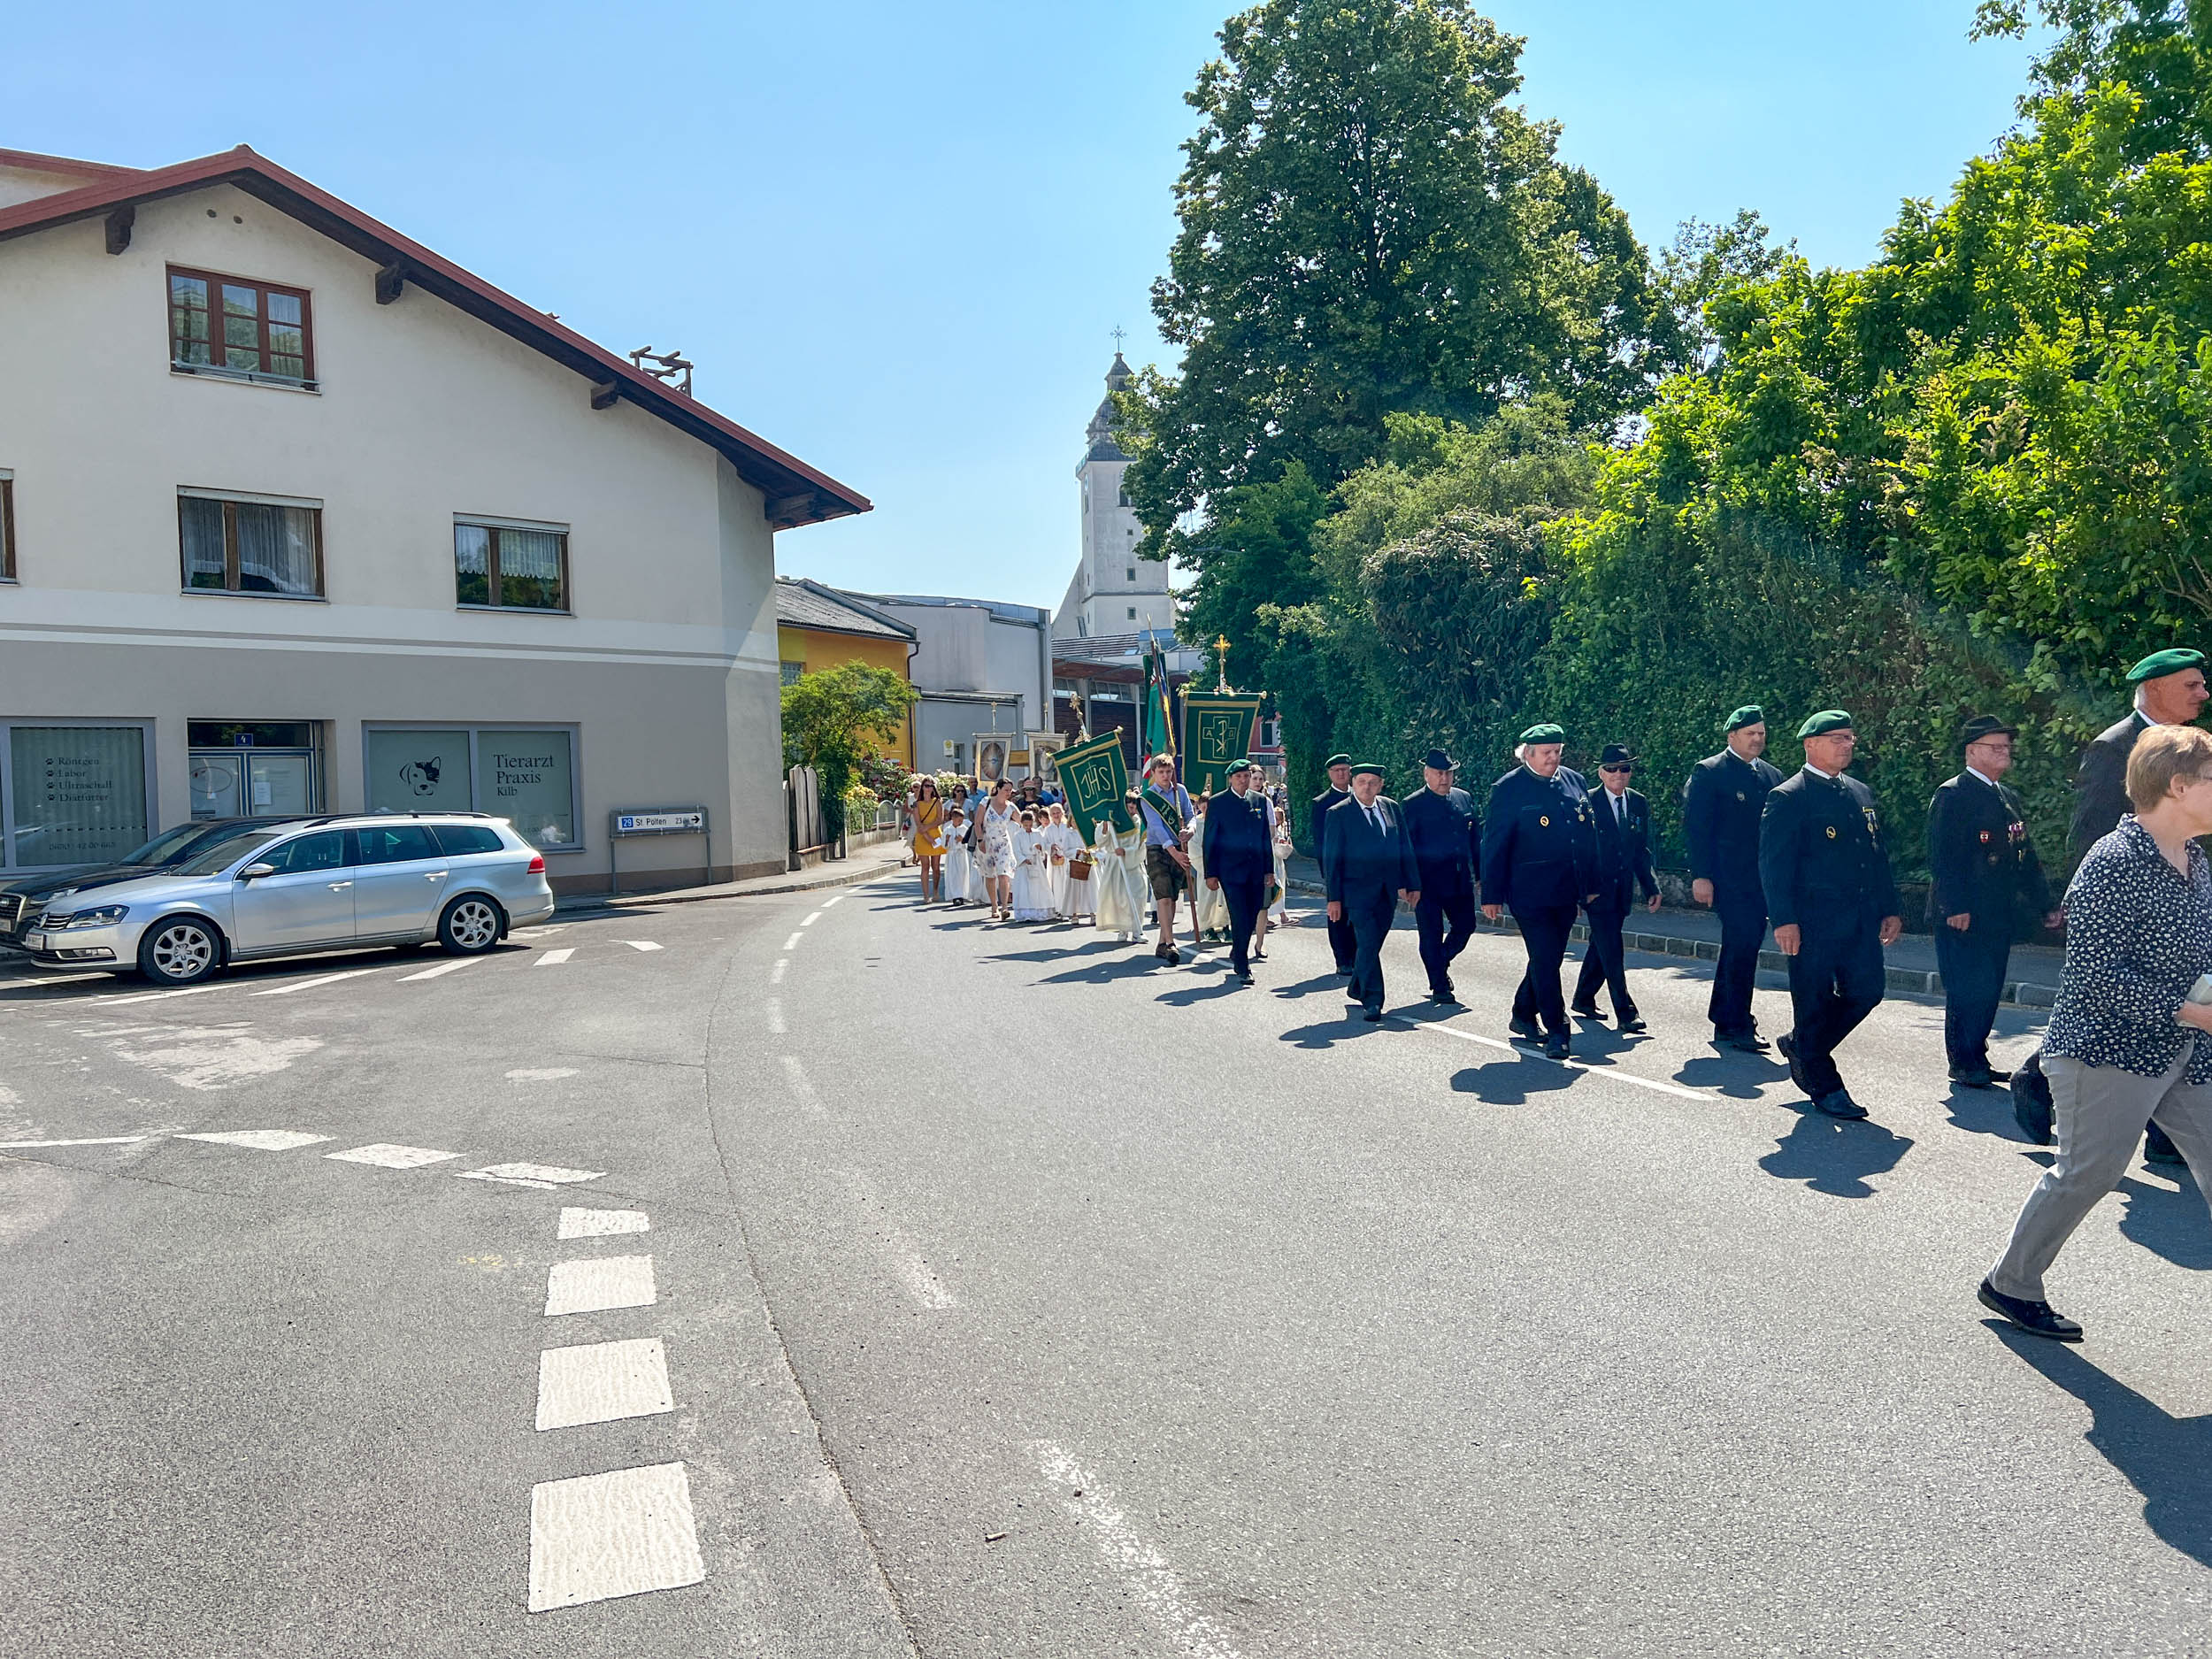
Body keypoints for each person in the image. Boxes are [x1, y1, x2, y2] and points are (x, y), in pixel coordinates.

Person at [1979, 724, 2212, 1343]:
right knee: (2088, 1172)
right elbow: (2097, 977)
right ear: (2178, 786)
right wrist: (2192, 1012)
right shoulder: (2113, 863)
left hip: (2184, 1050)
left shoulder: (2195, 859)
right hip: (2105, 1051)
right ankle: (2011, 1282)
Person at [2014, 648, 2209, 1161]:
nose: (2204, 694)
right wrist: (2091, 899)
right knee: (2117, 1001)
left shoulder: (2191, 747)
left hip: (2179, 891)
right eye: (2191, 685)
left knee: (2179, 1000)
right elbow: (2091, 830)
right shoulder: (2114, 746)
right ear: (2157, 688)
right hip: (2130, 903)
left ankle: (2167, 1135)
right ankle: (2039, 1074)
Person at [1758, 710, 1903, 1120]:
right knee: (1814, 1002)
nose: (1846, 745)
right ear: (1811, 744)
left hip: (1860, 918)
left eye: (1850, 738)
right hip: (1812, 922)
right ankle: (1825, 1085)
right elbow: (1774, 864)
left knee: (1868, 991)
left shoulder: (1859, 792)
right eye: (1837, 738)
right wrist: (1783, 919)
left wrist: (1890, 908)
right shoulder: (1789, 796)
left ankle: (1803, 1045)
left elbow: (1877, 856)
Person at [1926, 717, 2061, 1088]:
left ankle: (1977, 1055)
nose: (2004, 752)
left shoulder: (2006, 797)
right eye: (1995, 747)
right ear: (1972, 752)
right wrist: (1954, 906)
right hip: (1964, 913)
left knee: (1989, 986)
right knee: (1966, 987)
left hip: (1997, 910)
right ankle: (1963, 1061)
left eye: (2006, 746)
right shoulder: (1954, 794)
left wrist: (2046, 903)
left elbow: (2025, 856)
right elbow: (1944, 857)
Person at [1481, 726, 1598, 1060]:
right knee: (1546, 959)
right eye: (1546, 752)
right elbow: (1495, 844)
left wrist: (1589, 886)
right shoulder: (1509, 788)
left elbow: (1586, 838)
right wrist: (1491, 893)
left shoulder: (1574, 781)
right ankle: (1558, 1030)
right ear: (1527, 754)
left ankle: (1522, 1012)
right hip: (1528, 891)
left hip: (1566, 889)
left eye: (1557, 751)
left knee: (1549, 957)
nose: (1553, 758)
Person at [1683, 705, 1786, 1051]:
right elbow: (1698, 828)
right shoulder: (1711, 771)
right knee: (1742, 945)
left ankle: (1724, 1016)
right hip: (1728, 878)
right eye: (1749, 733)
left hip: (1762, 879)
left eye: (1761, 733)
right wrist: (1701, 875)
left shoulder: (1772, 775)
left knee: (1742, 946)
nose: (1757, 739)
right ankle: (1738, 1023)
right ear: (1732, 736)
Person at [1572, 744, 1662, 1032]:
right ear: (1601, 772)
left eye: (1624, 768)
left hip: (1622, 890)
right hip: (1596, 891)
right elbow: (1578, 851)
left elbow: (1640, 850)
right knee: (1612, 948)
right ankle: (1626, 1012)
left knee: (1602, 943)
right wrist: (1581, 892)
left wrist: (1651, 886)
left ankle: (1583, 998)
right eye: (1611, 769)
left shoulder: (1638, 802)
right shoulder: (1586, 802)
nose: (1618, 774)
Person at [1323, 762, 1420, 1020]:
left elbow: (1404, 846)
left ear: (1380, 785)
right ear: (1353, 783)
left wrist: (1412, 883)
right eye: (1362, 782)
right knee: (1366, 941)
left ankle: (1357, 985)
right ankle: (1373, 1000)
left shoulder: (1391, 808)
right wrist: (1334, 898)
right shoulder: (1338, 813)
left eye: (1372, 782)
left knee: (1374, 943)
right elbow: (1332, 859)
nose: (1367, 787)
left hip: (1387, 890)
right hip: (1356, 892)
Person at [1402, 748, 1481, 1005]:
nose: (1444, 778)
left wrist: (1481, 875)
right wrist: (1407, 882)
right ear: (1426, 774)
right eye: (1439, 773)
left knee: (1466, 926)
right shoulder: (1413, 804)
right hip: (1427, 883)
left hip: (1459, 879)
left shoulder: (1463, 798)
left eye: (1448, 773)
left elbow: (1475, 840)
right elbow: (1405, 848)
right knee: (1430, 934)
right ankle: (1439, 985)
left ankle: (1440, 961)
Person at [1202, 758, 1275, 984]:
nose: (1243, 780)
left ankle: (1238, 947)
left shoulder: (1259, 800)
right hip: (1231, 871)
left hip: (1256, 869)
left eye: (1246, 776)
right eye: (1238, 777)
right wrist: (1210, 873)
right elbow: (1210, 840)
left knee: (1253, 913)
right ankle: (1242, 966)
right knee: (1239, 914)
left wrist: (1269, 869)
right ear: (1231, 779)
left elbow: (1264, 837)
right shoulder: (1218, 802)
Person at [1140, 755, 1197, 964]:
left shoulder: (1179, 791)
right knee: (1163, 897)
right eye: (1161, 772)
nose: (1165, 776)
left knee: (1172, 897)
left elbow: (1191, 816)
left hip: (1179, 847)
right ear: (1154, 774)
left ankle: (1163, 942)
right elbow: (1156, 827)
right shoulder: (1147, 797)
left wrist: (1190, 830)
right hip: (1158, 849)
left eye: (1169, 771)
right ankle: (1171, 943)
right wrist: (1175, 853)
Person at [1310, 754, 1357, 975]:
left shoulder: (1360, 796)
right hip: (1336, 869)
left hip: (1359, 868)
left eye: (1345, 769)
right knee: (1338, 914)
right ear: (1329, 773)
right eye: (1336, 770)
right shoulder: (1321, 803)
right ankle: (1342, 958)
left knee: (1358, 913)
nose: (1341, 774)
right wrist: (1327, 872)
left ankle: (1357, 956)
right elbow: (1320, 841)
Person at [979, 780, 1019, 921]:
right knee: (990, 876)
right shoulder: (986, 802)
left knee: (1004, 874)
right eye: (1006, 790)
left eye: (1010, 790)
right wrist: (980, 840)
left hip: (1003, 843)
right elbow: (978, 823)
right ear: (998, 789)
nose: (1008, 793)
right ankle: (994, 906)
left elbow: (1023, 821)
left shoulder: (1011, 807)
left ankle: (1004, 907)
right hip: (987, 841)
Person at [1010, 809, 1053, 922]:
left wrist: (1040, 848)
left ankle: (1040, 912)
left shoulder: (1037, 833)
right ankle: (1026, 913)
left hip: (1036, 862)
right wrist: (1024, 859)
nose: (1028, 827)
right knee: (1025, 889)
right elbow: (1016, 850)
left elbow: (1043, 846)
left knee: (1038, 888)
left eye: (1030, 825)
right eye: (1025, 825)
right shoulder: (1018, 835)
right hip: (1024, 865)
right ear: (1021, 823)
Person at [910, 777, 946, 902]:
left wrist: (928, 828)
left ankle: (935, 892)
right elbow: (918, 824)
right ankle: (926, 896)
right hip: (922, 837)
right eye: (926, 786)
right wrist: (927, 836)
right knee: (925, 866)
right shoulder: (917, 804)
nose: (928, 788)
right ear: (922, 787)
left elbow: (939, 820)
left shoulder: (937, 802)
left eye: (931, 786)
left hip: (935, 834)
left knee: (936, 867)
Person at [1043, 802, 1076, 918]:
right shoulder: (1048, 829)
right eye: (1053, 813)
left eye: (1058, 813)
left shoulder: (1067, 827)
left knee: (1068, 883)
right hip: (1055, 859)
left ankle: (1071, 909)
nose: (1056, 815)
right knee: (1057, 884)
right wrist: (1051, 847)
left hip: (1067, 858)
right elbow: (1045, 844)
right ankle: (1059, 908)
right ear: (1050, 815)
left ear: (1062, 813)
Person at [942, 803, 973, 905]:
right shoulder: (947, 830)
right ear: (952, 818)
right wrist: (947, 840)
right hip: (952, 855)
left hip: (961, 854)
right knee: (953, 875)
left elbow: (969, 842)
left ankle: (962, 895)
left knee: (962, 875)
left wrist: (962, 840)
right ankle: (955, 896)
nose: (960, 822)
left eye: (961, 820)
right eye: (958, 820)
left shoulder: (964, 829)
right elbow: (944, 846)